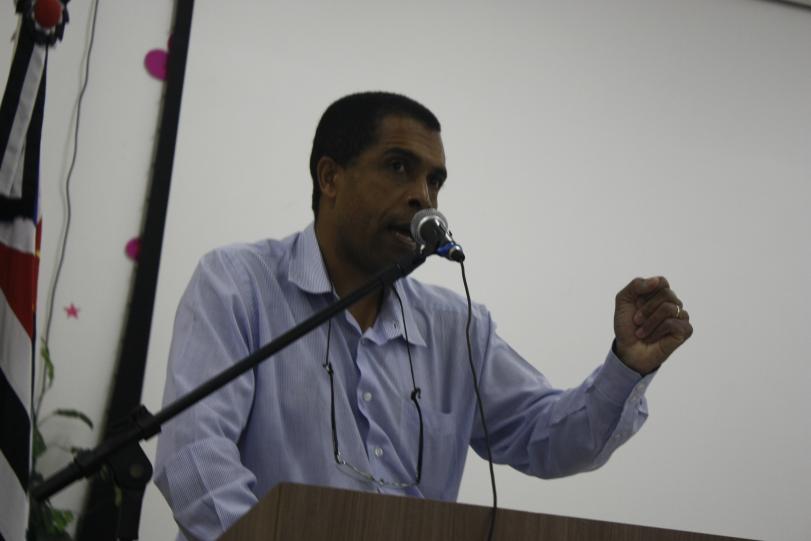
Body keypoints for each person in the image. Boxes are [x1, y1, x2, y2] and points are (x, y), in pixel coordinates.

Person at [153, 92, 693, 541]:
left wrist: (627, 365)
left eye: (435, 181)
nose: (422, 197)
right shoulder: (238, 284)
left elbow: (549, 439)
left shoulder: (456, 328)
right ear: (330, 177)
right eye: (398, 168)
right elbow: (195, 458)